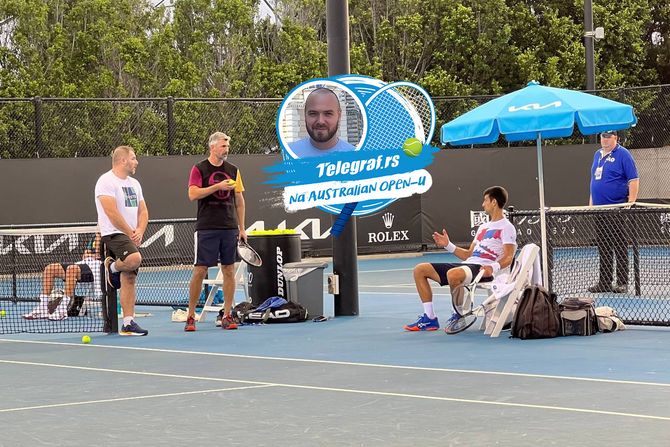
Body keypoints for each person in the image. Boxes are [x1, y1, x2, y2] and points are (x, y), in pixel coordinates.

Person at [404, 186, 516, 332]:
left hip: (484, 270)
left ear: (493, 202)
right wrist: (448, 245)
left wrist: (492, 268)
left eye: (485, 201)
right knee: (420, 269)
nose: (483, 204)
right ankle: (430, 319)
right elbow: (469, 254)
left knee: (453, 274)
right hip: (469, 266)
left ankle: (459, 315)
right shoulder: (483, 227)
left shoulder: (507, 227)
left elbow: (509, 256)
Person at [184, 132, 247, 331]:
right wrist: (217, 186)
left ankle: (227, 315)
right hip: (206, 227)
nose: (226, 150)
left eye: (227, 146)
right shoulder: (199, 168)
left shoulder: (234, 170)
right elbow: (192, 194)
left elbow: (239, 200)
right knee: (200, 270)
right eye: (222, 146)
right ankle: (191, 316)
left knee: (229, 271)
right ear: (212, 147)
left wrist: (242, 228)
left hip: (229, 228)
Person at [95, 146, 149, 336]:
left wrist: (140, 230)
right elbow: (111, 213)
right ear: (123, 160)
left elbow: (143, 211)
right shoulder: (105, 181)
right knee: (134, 259)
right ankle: (111, 268)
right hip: (113, 233)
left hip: (131, 234)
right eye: (133, 158)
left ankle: (128, 323)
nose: (136, 162)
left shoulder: (135, 183)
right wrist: (130, 232)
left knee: (130, 277)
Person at [588, 130, 639, 293]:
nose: (605, 139)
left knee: (619, 244)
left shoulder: (623, 154)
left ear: (616, 138)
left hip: (616, 209)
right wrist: (590, 204)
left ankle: (622, 282)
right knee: (603, 246)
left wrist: (630, 202)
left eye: (609, 137)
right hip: (599, 210)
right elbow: (594, 181)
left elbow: (633, 179)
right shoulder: (597, 155)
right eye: (603, 136)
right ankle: (604, 282)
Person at [22, 233, 102, 321]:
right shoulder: (94, 237)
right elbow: (85, 254)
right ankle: (43, 308)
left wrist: (98, 242)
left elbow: (102, 256)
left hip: (99, 268)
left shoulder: (109, 238)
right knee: (50, 269)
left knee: (71, 269)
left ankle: (62, 310)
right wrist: (93, 252)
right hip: (85, 263)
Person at [289, 88, 356, 158]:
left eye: (328, 114)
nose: (320, 121)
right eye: (313, 113)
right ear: (305, 115)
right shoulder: (289, 153)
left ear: (339, 116)